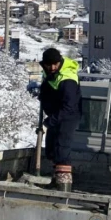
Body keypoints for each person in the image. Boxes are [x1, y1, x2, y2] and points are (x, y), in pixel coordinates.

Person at [39, 48, 81, 191]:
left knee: (62, 149)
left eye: (55, 64)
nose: (52, 68)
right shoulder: (51, 73)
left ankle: (64, 187)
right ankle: (55, 180)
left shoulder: (67, 79)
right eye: (49, 65)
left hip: (68, 117)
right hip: (55, 116)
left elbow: (68, 107)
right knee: (52, 149)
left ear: (60, 62)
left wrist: (47, 122)